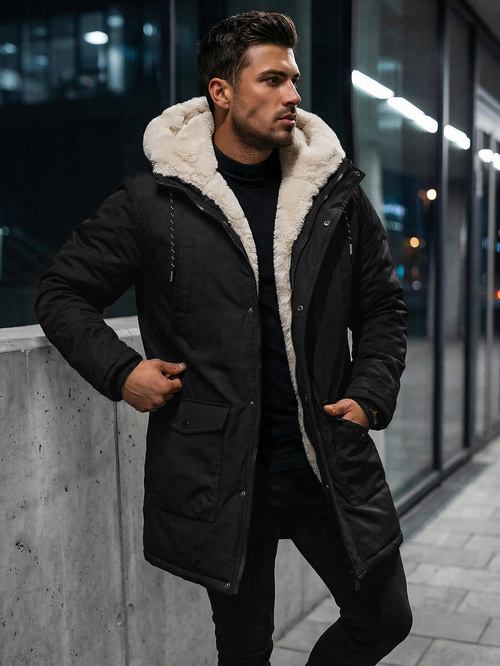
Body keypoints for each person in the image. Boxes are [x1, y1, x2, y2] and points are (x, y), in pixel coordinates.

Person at [35, 11, 412, 666]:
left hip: (326, 458)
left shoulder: (335, 195)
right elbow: (61, 291)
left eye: (294, 79)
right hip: (223, 472)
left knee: (384, 619)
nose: (293, 94)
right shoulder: (155, 202)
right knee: (244, 650)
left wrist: (370, 393)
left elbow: (381, 305)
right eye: (272, 79)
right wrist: (122, 372)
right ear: (222, 91)